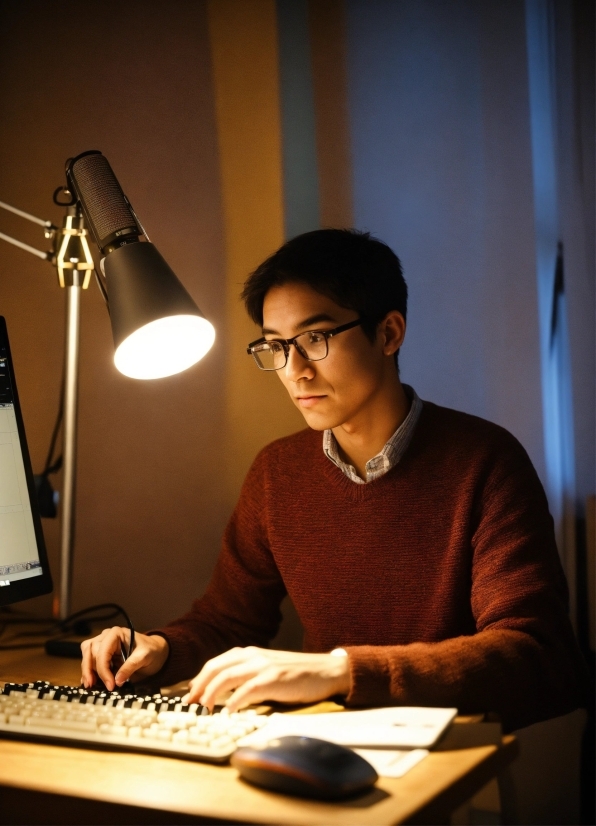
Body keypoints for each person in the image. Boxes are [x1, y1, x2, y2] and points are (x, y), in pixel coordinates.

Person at [81, 229, 586, 732]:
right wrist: (157, 647)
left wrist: (340, 670)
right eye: (276, 346)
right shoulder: (278, 473)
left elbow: (535, 653)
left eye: (315, 339)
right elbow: (227, 622)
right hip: (321, 740)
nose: (294, 370)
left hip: (452, 750)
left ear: (389, 333)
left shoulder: (484, 462)